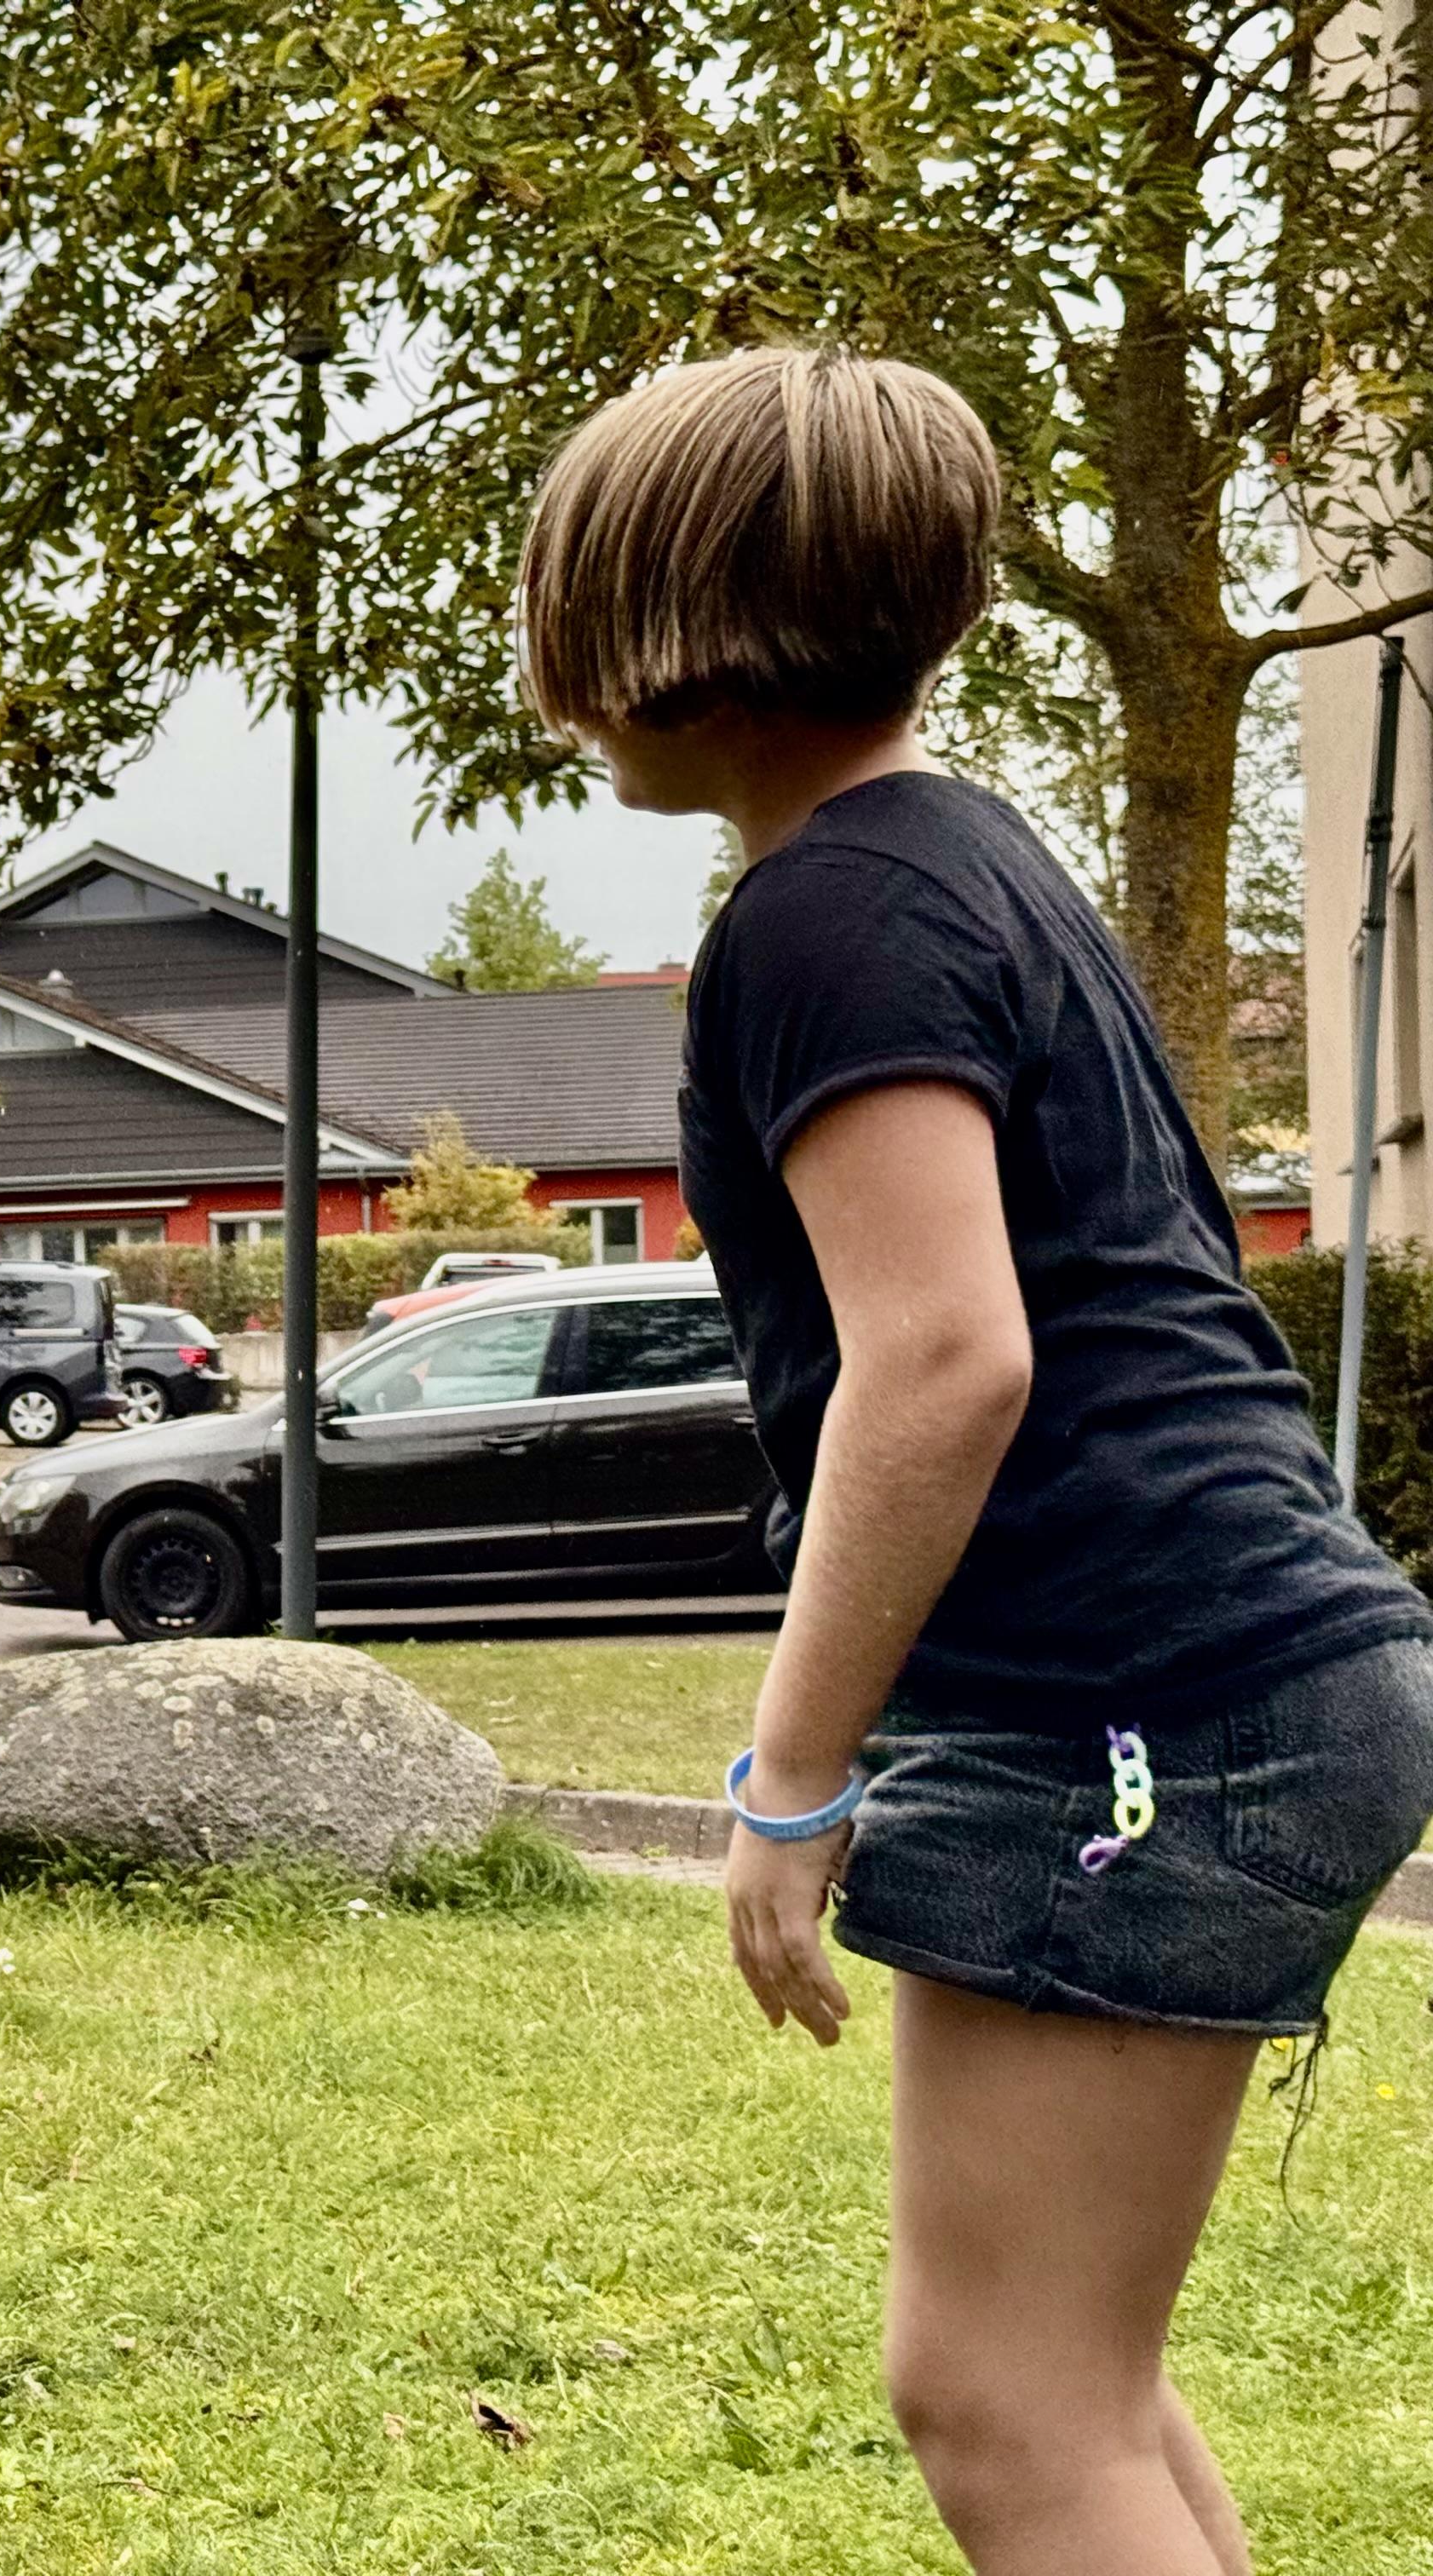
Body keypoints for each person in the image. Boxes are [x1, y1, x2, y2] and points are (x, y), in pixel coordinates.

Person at [518, 345, 1433, 2576]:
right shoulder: (956, 865)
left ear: (677, 627)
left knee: (1008, 2405)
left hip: (1153, 1708)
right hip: (1227, 1682)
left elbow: (942, 1363)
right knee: (1068, 2386)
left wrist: (790, 1780)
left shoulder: (825, 919)